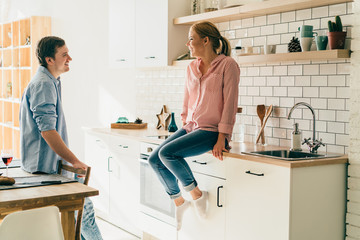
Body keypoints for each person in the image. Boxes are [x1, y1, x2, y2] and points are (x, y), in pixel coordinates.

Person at [148, 21, 240, 231]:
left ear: (205, 40)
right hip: (191, 127)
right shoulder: (191, 67)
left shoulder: (228, 65)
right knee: (155, 159)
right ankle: (180, 203)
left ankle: (196, 195)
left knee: (168, 154)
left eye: (191, 38)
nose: (188, 43)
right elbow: (187, 100)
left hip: (212, 131)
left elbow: (230, 103)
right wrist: (184, 124)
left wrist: (222, 137)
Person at [19, 36, 103, 240]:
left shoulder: (51, 81)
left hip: (49, 166)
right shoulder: (44, 84)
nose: (70, 58)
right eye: (64, 54)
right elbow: (47, 131)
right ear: (49, 60)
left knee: (79, 215)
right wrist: (74, 160)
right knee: (84, 211)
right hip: (45, 168)